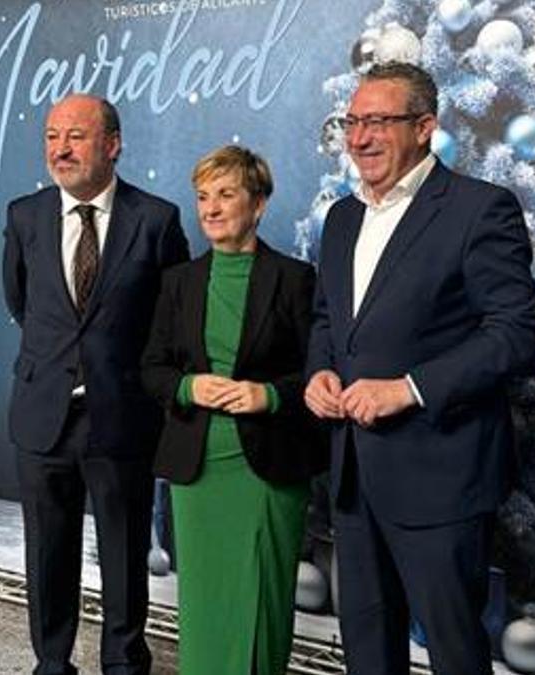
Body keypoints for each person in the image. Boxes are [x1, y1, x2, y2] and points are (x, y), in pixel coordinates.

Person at [303, 63, 535, 674]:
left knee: (455, 652)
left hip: (441, 477)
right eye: (351, 122)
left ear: (425, 128)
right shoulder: (341, 219)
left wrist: (409, 389)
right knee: (367, 651)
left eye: (377, 122)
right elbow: (327, 320)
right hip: (354, 475)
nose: (358, 139)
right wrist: (319, 374)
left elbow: (515, 332)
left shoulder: (478, 208)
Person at [2, 93, 190, 675]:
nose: (61, 148)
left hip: (122, 416)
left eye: (76, 136)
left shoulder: (156, 220)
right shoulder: (25, 216)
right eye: (52, 136)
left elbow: (172, 317)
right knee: (48, 551)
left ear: (112, 144)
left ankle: (124, 663)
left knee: (125, 551)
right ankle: (52, 663)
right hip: (43, 413)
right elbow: (20, 300)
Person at [141, 145, 328, 674]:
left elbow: (320, 372)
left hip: (267, 470)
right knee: (204, 609)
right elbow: (152, 368)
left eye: (226, 194)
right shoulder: (179, 282)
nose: (211, 208)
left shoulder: (295, 279)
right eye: (203, 196)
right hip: (198, 472)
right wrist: (187, 389)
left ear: (259, 204)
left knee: (262, 606)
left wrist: (265, 395)